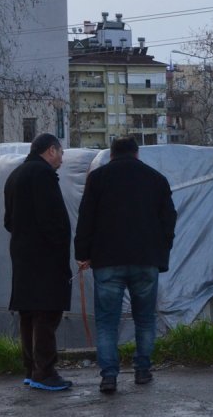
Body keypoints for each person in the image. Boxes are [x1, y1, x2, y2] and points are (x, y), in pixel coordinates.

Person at [75, 137, 177, 394]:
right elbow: (169, 221)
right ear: (137, 153)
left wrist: (83, 253)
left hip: (107, 261)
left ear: (111, 154)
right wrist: (161, 253)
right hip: (146, 261)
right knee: (145, 319)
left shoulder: (97, 179)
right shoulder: (156, 179)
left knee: (107, 322)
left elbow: (86, 218)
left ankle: (109, 376)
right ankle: (142, 371)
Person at [3, 133, 73, 391]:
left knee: (29, 313)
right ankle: (46, 372)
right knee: (46, 311)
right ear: (51, 150)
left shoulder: (15, 175)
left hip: (22, 256)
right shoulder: (42, 175)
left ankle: (32, 369)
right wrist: (59, 244)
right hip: (46, 258)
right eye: (61, 153)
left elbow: (8, 221)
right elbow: (51, 218)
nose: (62, 160)